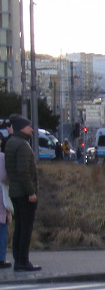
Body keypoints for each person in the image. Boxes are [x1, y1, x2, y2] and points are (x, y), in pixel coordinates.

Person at [4, 114, 41, 271]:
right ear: (21, 128)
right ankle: (22, 262)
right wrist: (31, 192)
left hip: (15, 192)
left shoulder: (11, 143)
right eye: (29, 126)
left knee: (19, 227)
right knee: (25, 228)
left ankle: (18, 259)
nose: (31, 129)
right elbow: (24, 172)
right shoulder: (23, 146)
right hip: (24, 193)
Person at [0, 140, 13, 268]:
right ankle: (1, 259)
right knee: (2, 228)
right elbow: (6, 176)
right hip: (1, 197)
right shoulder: (2, 158)